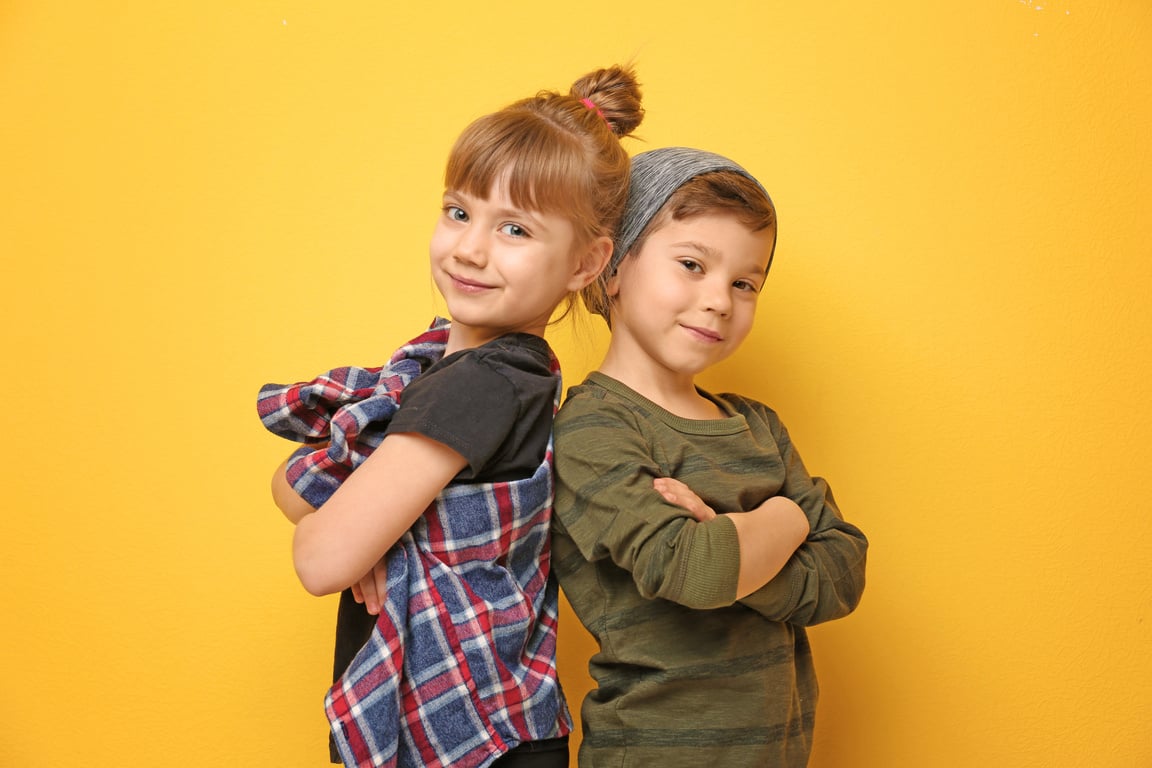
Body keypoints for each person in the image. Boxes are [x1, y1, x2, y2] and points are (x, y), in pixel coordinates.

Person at [256, 66, 645, 768]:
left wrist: (363, 537)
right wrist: (365, 529)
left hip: (469, 743)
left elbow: (320, 558)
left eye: (515, 230)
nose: (469, 248)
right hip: (498, 730)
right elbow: (292, 483)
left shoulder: (480, 388)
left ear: (587, 263)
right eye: (458, 211)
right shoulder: (457, 366)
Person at [551, 147, 869, 767]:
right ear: (611, 268)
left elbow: (842, 573)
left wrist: (730, 539)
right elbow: (694, 571)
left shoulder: (756, 427)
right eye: (692, 264)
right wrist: (787, 519)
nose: (720, 300)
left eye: (745, 283)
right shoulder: (592, 429)